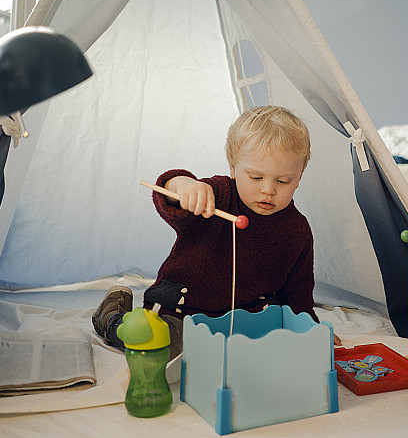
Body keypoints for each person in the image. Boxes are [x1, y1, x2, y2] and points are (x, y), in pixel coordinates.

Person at [92, 105, 322, 359]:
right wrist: (183, 185)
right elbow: (170, 199)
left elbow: (298, 291)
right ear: (234, 169)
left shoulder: (297, 229)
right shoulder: (217, 195)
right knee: (153, 346)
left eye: (283, 181)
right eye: (256, 177)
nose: (268, 189)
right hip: (182, 313)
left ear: (299, 176)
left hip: (245, 320)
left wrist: (309, 329)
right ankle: (112, 317)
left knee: (272, 350)